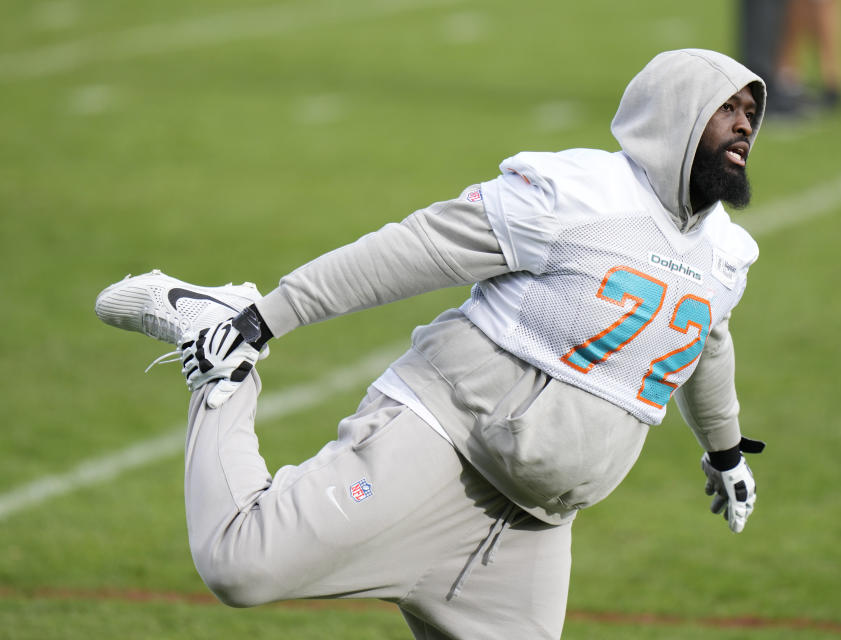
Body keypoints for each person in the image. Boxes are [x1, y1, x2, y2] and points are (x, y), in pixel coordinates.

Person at [96, 48, 768, 639]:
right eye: (726, 108)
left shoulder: (723, 254)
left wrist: (726, 450)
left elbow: (708, 347)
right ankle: (220, 354)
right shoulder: (577, 194)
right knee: (240, 564)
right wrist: (267, 317)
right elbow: (416, 249)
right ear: (677, 114)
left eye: (750, 112)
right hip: (440, 448)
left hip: (531, 528)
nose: (743, 124)